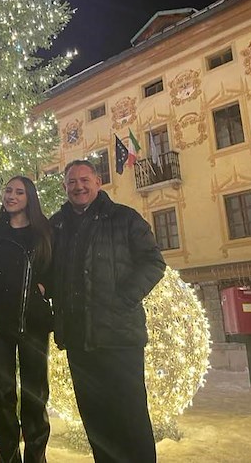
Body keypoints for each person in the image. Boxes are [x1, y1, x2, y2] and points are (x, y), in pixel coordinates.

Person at [49, 160, 166, 463]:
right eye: (72, 182)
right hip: (78, 338)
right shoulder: (57, 225)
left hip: (119, 338)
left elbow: (153, 262)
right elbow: (48, 272)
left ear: (98, 182)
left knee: (130, 417)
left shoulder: (123, 218)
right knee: (96, 420)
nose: (79, 186)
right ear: (65, 187)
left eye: (84, 180)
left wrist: (124, 298)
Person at [0, 176, 53, 463]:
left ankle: (36, 458)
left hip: (34, 324)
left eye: (19, 191)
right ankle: (8, 458)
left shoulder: (44, 232)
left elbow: (58, 271)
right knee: (2, 397)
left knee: (35, 396)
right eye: (8, 191)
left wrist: (44, 288)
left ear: (30, 196)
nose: (12, 196)